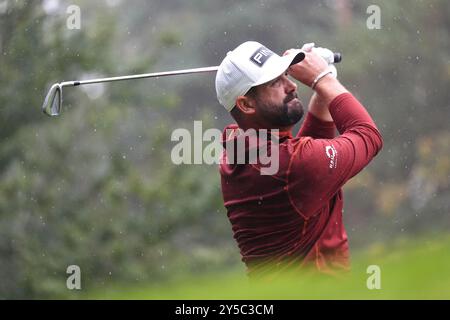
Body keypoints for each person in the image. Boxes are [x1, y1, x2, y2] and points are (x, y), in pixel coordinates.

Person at [215, 41, 383, 278]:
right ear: (246, 104)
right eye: (275, 82)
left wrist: (325, 82)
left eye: (285, 75)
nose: (292, 85)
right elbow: (367, 135)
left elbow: (309, 154)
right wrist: (321, 78)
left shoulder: (243, 152)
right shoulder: (291, 166)